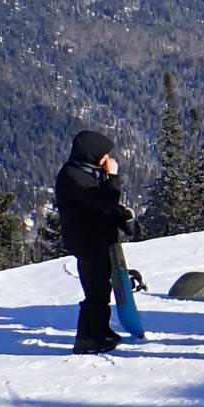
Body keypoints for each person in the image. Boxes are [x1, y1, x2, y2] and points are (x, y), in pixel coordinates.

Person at [54, 129, 135, 354]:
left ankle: (100, 330)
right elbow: (105, 202)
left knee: (103, 287)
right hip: (88, 242)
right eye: (103, 154)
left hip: (97, 239)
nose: (107, 158)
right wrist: (113, 177)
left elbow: (100, 205)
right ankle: (87, 340)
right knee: (95, 292)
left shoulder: (83, 171)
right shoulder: (73, 177)